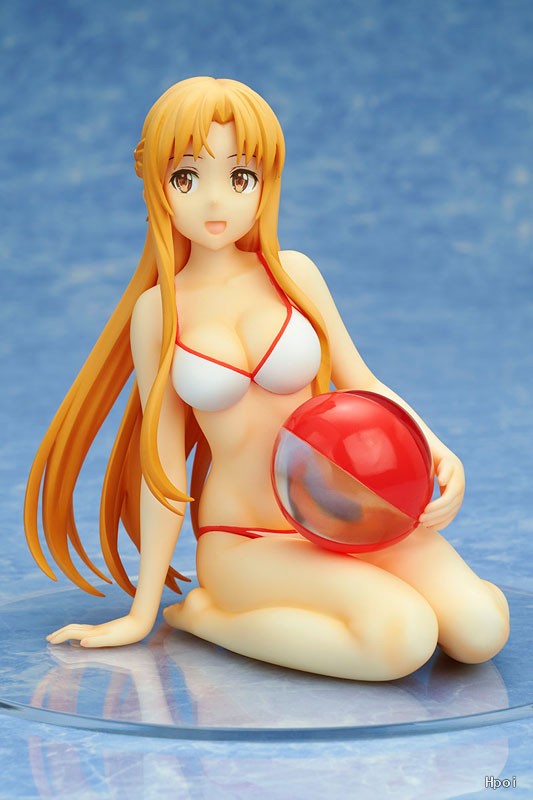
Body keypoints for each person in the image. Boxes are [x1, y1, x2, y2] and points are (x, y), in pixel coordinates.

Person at [24, 77, 509, 680]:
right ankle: (209, 617)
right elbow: (162, 462)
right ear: (157, 187)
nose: (215, 202)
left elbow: (361, 380)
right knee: (403, 638)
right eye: (187, 178)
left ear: (266, 182)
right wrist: (142, 613)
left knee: (481, 631)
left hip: (342, 511)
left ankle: (366, 596)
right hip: (244, 537)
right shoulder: (160, 312)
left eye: (239, 177)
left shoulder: (294, 274)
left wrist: (436, 449)